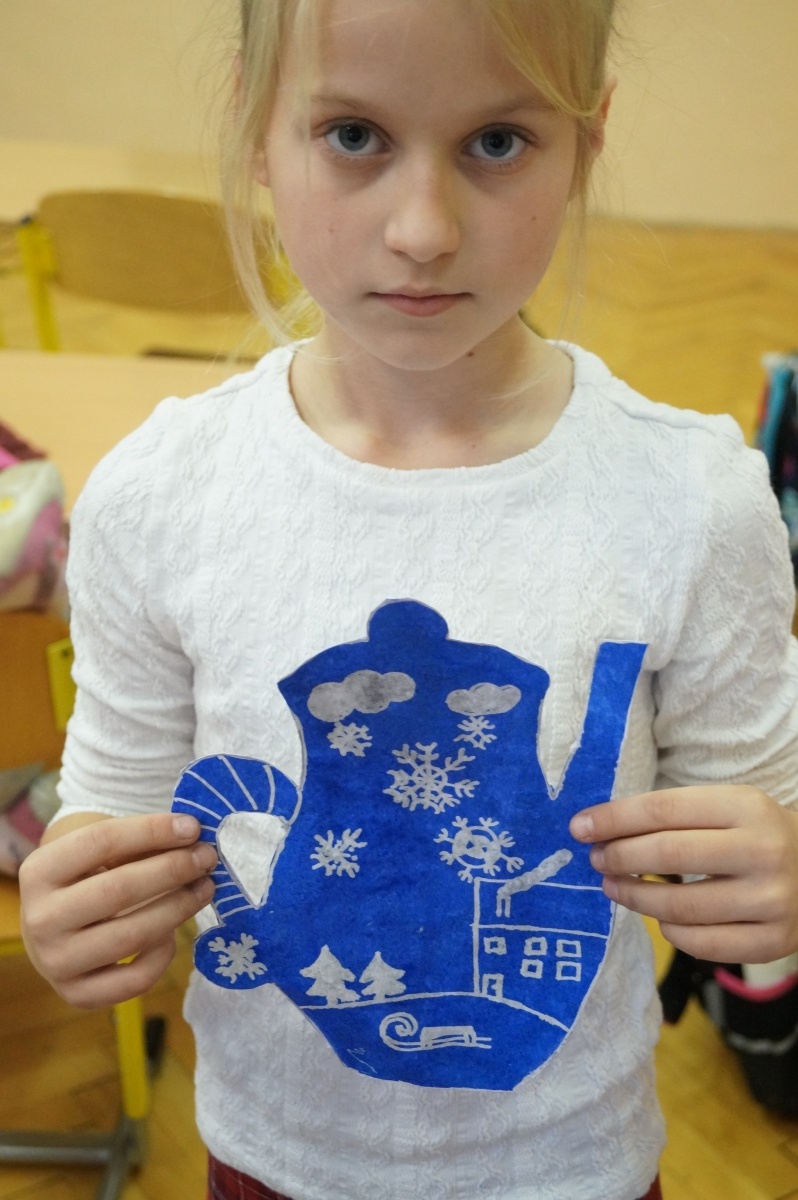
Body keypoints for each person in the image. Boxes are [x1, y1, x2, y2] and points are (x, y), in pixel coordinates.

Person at [18, 1, 798, 1197]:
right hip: (271, 1162)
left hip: (575, 1168)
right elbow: (118, 804)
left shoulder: (694, 497)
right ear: (256, 131)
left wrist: (775, 874)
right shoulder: (160, 495)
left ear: (586, 142)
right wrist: (80, 893)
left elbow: (765, 812)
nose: (424, 230)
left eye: (497, 141)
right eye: (353, 135)